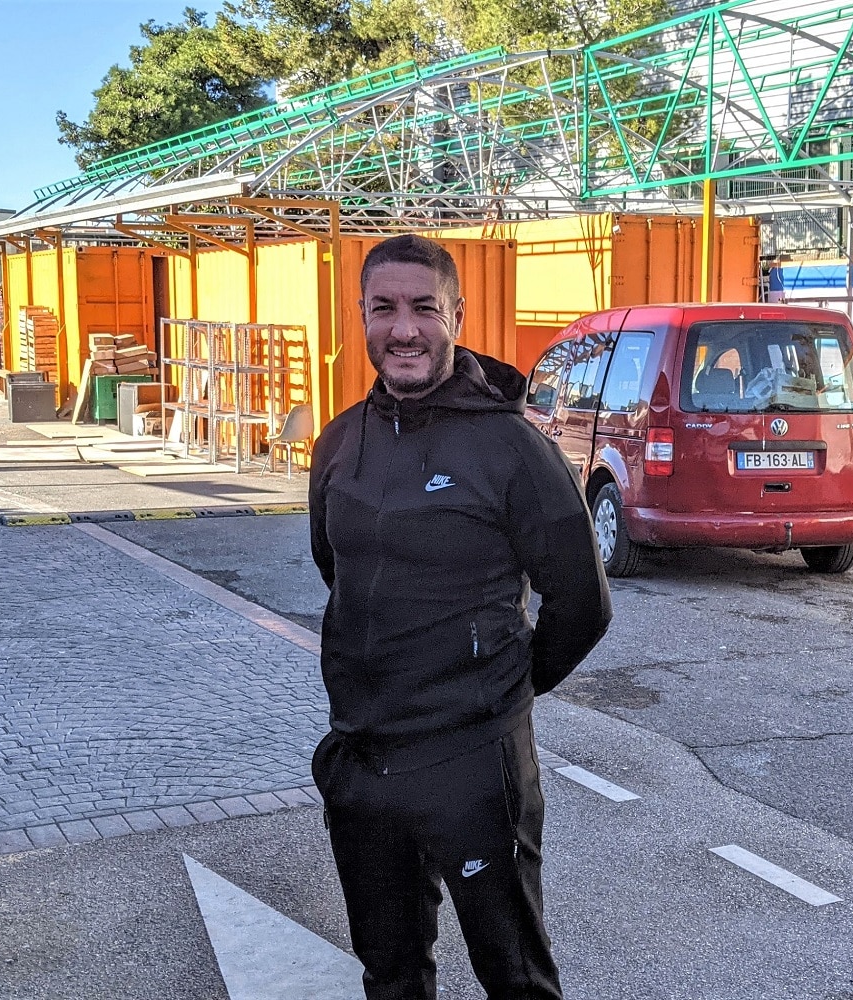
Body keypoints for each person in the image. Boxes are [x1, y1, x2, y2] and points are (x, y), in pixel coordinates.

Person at [307, 234, 613, 1000]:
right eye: (385, 309)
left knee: (515, 979)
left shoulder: (512, 448)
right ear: (363, 315)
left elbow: (582, 604)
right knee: (390, 974)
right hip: (366, 761)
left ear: (457, 316)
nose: (404, 329)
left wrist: (498, 693)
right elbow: (337, 571)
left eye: (424, 308)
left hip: (473, 766)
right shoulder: (339, 443)